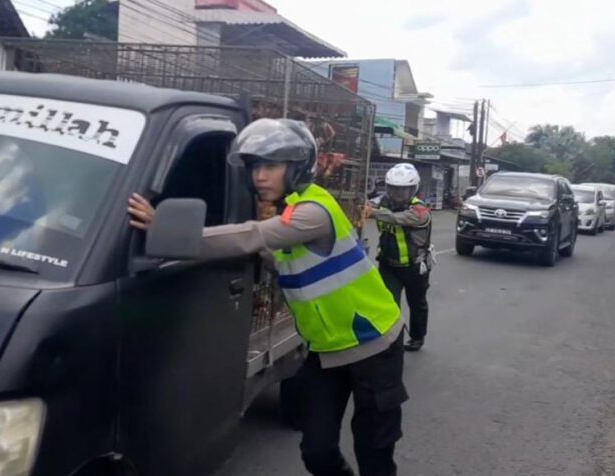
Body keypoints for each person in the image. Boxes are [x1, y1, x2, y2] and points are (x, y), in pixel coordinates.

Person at [129, 118, 407, 476]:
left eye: (271, 166)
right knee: (316, 451)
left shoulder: (314, 211)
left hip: (374, 344)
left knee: (374, 452)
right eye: (255, 166)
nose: (259, 176)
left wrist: (167, 229)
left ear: (297, 167)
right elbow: (282, 261)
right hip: (325, 350)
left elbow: (252, 236)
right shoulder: (291, 211)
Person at [365, 163, 432, 352]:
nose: (398, 194)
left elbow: (397, 218)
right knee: (389, 304)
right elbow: (367, 204)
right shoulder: (382, 201)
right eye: (394, 189)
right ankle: (391, 341)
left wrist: (373, 212)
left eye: (403, 190)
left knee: (417, 303)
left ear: (413, 189)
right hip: (388, 265)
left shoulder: (419, 210)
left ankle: (417, 337)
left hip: (414, 267)